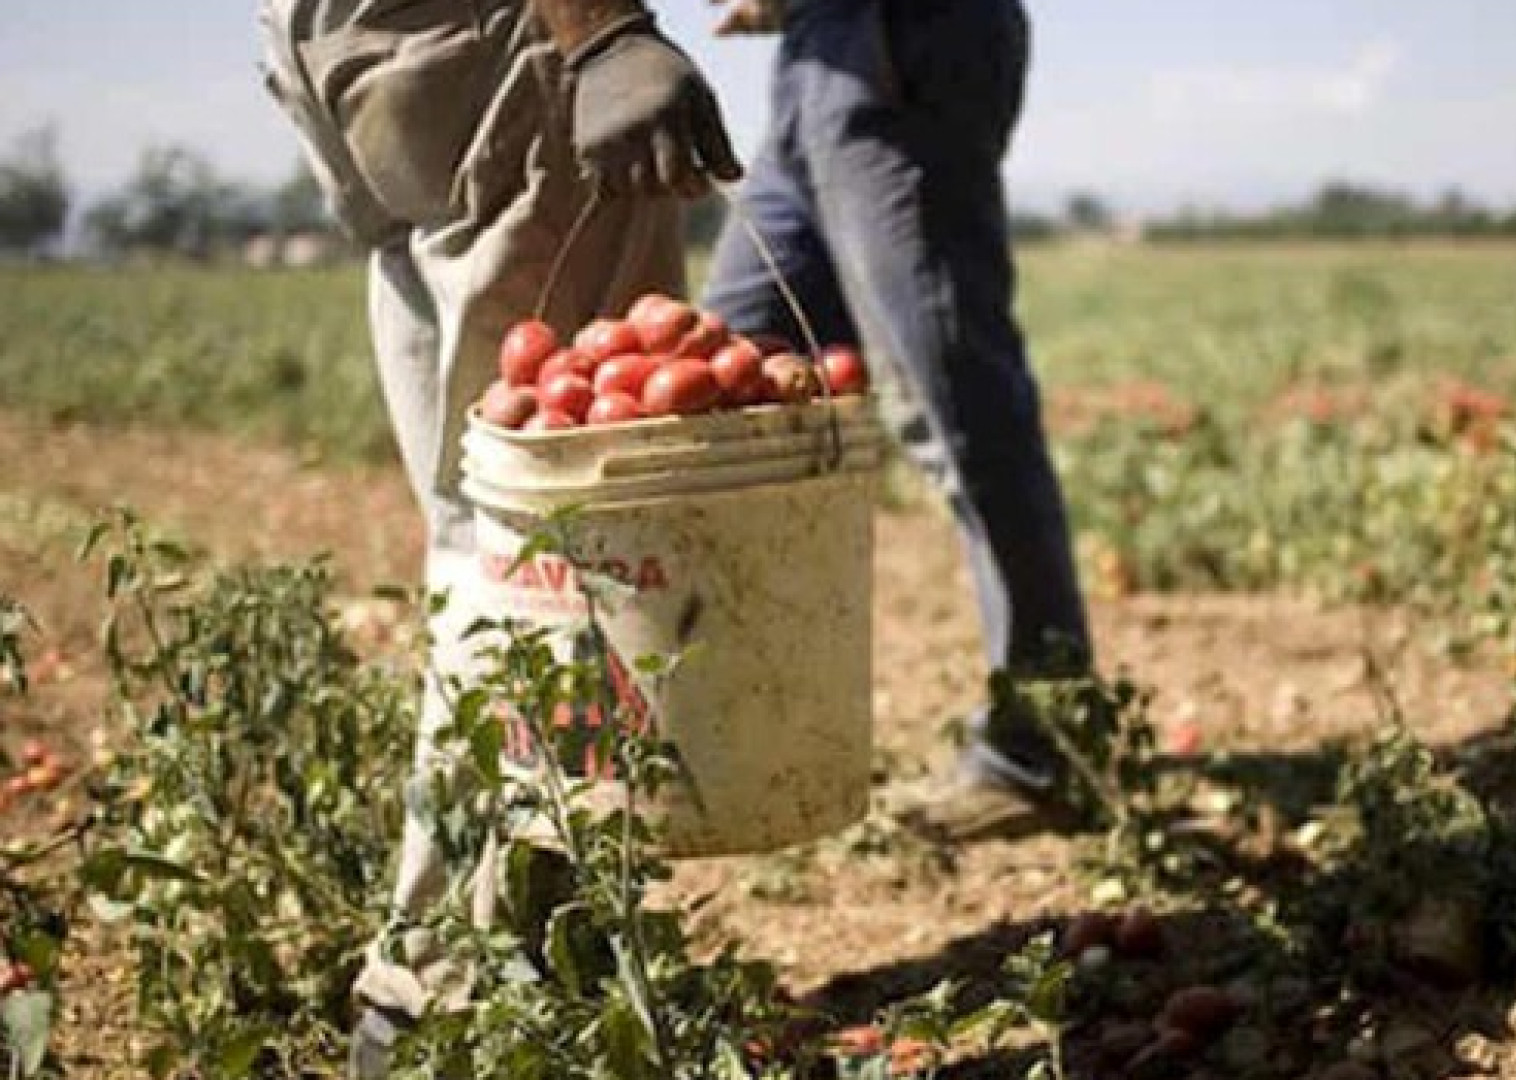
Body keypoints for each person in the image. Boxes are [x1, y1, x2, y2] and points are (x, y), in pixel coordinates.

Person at [258, 0, 741, 1074]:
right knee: (563, 538)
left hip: (345, 36)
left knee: (488, 525)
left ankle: (509, 964)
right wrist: (604, 29)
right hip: (493, 36)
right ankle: (450, 994)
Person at [699, 0, 1094, 838]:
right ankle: (739, 724)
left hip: (905, 46)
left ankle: (1044, 749)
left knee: (956, 404)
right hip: (815, 58)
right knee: (722, 375)